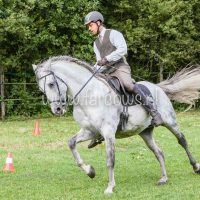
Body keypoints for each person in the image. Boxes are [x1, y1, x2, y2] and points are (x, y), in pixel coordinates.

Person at [84, 11, 164, 148]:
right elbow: (99, 63)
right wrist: (92, 72)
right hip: (107, 72)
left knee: (128, 85)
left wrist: (107, 59)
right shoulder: (95, 44)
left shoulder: (114, 34)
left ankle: (153, 111)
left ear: (98, 22)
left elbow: (123, 49)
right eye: (88, 27)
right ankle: (99, 132)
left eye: (90, 25)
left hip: (120, 68)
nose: (89, 29)